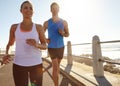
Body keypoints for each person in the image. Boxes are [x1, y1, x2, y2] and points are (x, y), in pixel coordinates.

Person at [2, 1, 47, 86]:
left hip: (36, 65)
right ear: (21, 10)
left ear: (33, 12)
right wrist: (7, 53)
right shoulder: (14, 27)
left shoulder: (38, 27)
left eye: (31, 8)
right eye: (25, 7)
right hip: (19, 64)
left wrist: (36, 44)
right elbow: (10, 44)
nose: (28, 10)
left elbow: (45, 46)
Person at [43, 2, 69, 86]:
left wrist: (63, 33)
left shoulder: (64, 22)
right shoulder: (46, 23)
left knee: (57, 67)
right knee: (55, 67)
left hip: (61, 47)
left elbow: (68, 34)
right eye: (53, 8)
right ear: (51, 10)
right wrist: (46, 40)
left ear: (59, 9)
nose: (55, 10)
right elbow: (41, 34)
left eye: (56, 8)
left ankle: (56, 80)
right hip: (51, 47)